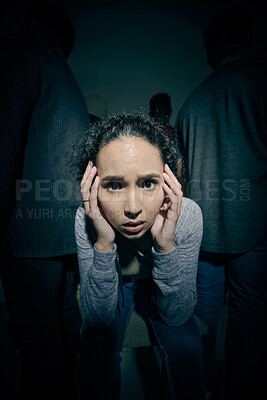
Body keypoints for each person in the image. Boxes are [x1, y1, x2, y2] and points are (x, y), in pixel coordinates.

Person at [73, 113, 205, 400]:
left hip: (154, 285)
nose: (133, 208)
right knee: (95, 346)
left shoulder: (187, 215)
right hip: (119, 284)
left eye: (147, 183)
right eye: (114, 185)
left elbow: (179, 314)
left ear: (169, 180)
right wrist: (105, 243)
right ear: (93, 185)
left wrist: (166, 245)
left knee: (187, 346)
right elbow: (97, 317)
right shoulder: (86, 217)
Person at [175, 7, 267, 400]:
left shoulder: (193, 102)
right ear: (246, 41)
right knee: (248, 318)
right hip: (257, 227)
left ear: (211, 51)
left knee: (205, 314)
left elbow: (180, 176)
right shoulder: (260, 82)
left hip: (204, 230)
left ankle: (202, 388)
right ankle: (239, 391)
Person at [0, 1, 89, 399]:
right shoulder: (68, 78)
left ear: (33, 26)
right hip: (69, 224)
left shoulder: (26, 56)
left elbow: (4, 145)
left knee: (37, 332)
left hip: (33, 227)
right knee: (64, 312)